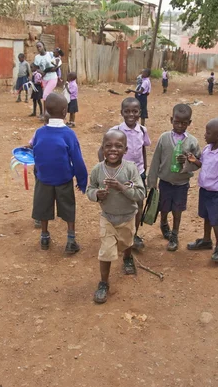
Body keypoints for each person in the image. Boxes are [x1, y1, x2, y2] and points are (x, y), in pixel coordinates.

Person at [88, 130, 146, 304]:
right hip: (108, 217)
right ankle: (104, 283)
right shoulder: (98, 169)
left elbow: (140, 193)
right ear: (102, 148)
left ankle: (127, 258)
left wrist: (121, 187)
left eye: (118, 146)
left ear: (126, 149)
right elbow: (89, 189)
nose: (113, 149)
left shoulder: (130, 169)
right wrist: (97, 194)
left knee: (127, 242)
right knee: (106, 252)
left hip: (128, 217)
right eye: (108, 146)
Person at [31, 93, 88, 254]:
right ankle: (70, 240)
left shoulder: (39, 132)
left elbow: (36, 153)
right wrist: (82, 180)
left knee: (43, 207)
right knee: (68, 207)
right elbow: (77, 159)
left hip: (44, 178)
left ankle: (44, 237)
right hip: (63, 178)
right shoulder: (68, 134)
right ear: (65, 112)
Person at [99, 97, 151, 252]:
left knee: (139, 204)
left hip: (139, 173)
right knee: (121, 204)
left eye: (135, 111)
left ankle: (134, 235)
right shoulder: (116, 131)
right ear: (122, 112)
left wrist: (145, 169)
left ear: (140, 112)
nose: (131, 115)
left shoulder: (142, 130)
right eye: (127, 111)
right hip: (120, 175)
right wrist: (107, 170)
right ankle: (117, 234)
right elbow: (101, 151)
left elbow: (143, 149)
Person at [148, 104, 201, 251]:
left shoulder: (192, 142)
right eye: (177, 122)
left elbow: (198, 163)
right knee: (164, 208)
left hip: (181, 183)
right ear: (171, 120)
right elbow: (155, 161)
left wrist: (187, 162)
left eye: (184, 123)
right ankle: (164, 223)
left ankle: (174, 235)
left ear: (189, 123)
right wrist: (152, 182)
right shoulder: (164, 138)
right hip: (165, 182)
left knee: (178, 210)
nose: (180, 125)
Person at [187, 118, 218, 263]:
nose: (205, 135)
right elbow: (204, 164)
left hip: (217, 194)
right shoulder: (208, 149)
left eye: (208, 133)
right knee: (206, 217)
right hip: (205, 191)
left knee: (216, 221)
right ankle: (206, 240)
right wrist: (195, 161)